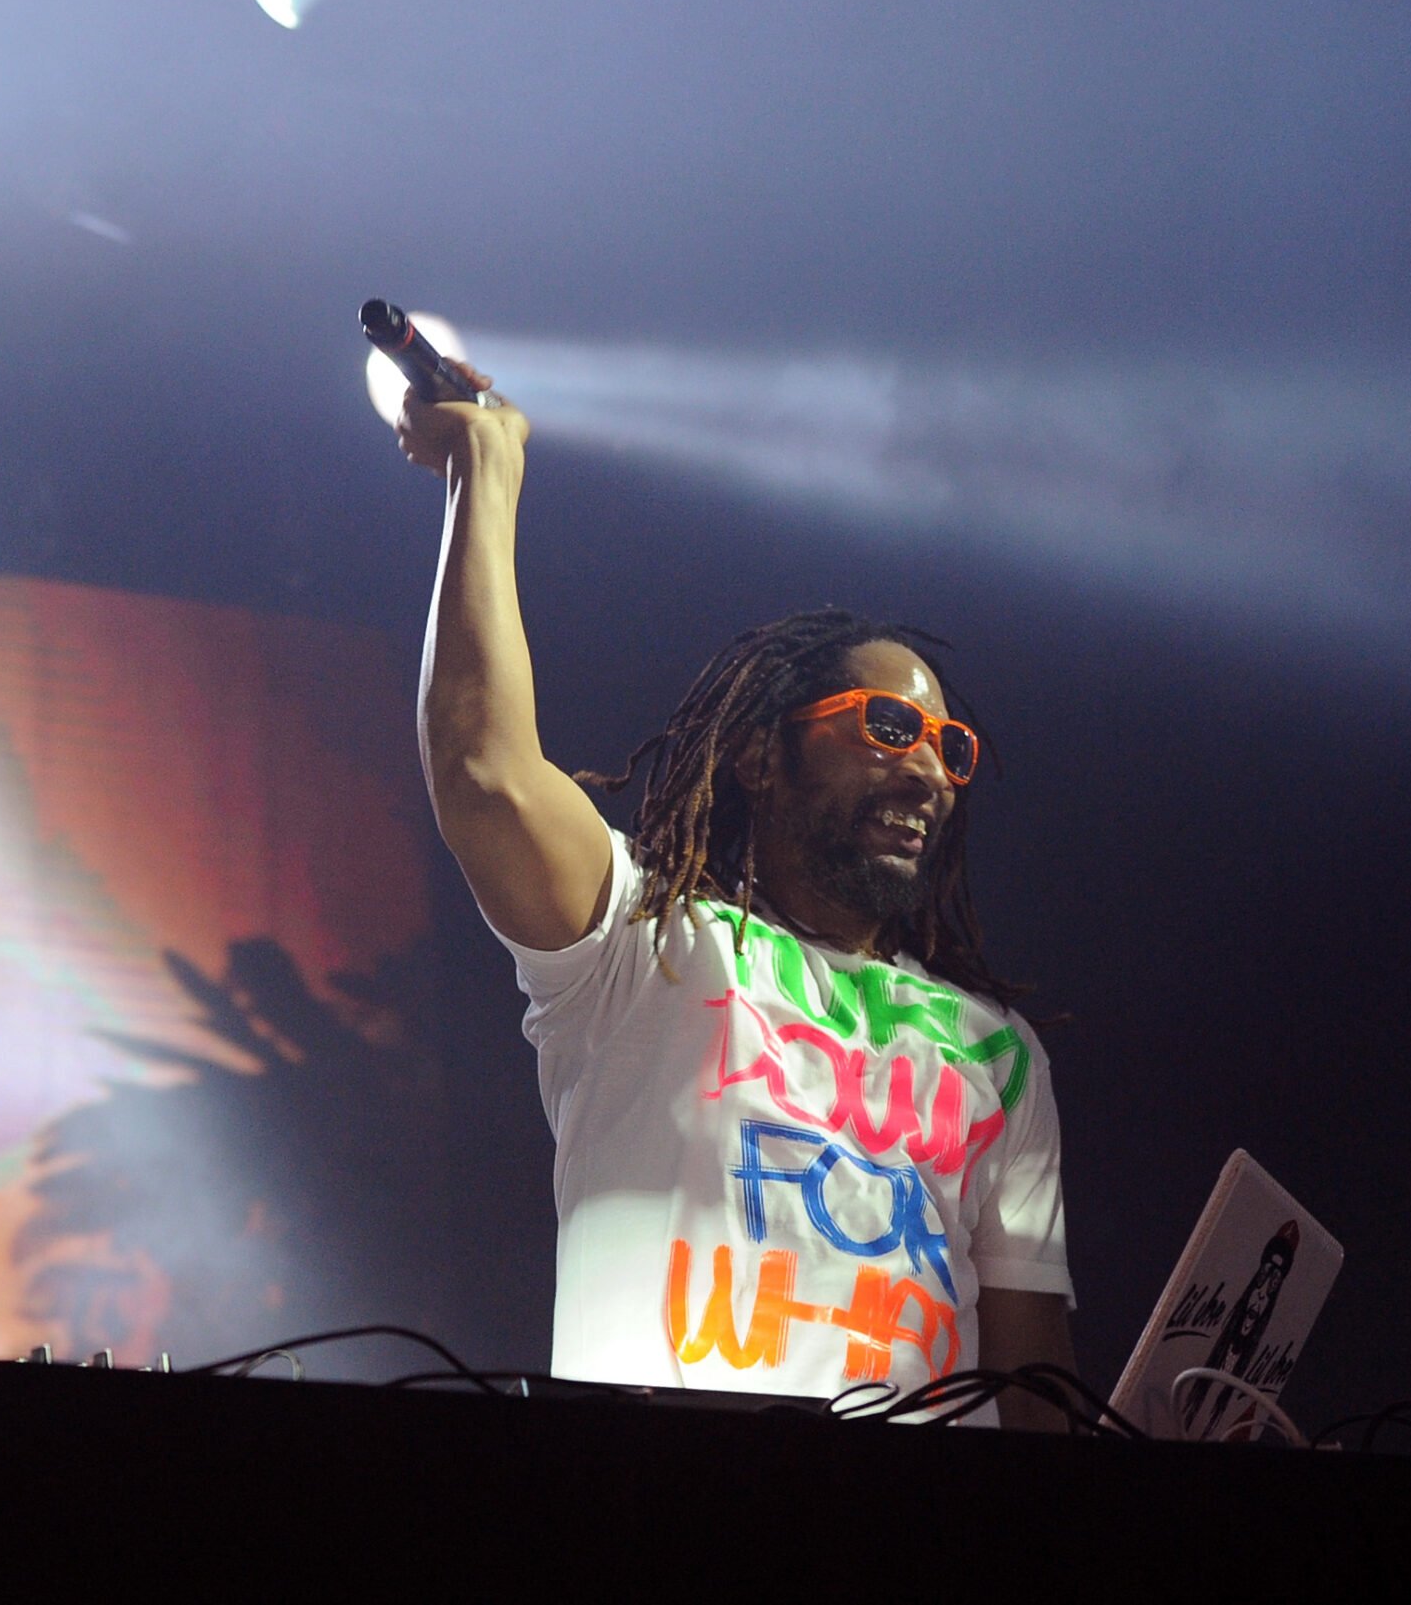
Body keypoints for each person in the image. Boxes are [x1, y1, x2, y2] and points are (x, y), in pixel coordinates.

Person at [400, 368, 1073, 1427]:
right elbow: (484, 773)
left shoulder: (998, 1053)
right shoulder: (640, 940)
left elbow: (1041, 1398)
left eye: (950, 748)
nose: (930, 771)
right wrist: (488, 469)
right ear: (761, 755)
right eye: (887, 727)